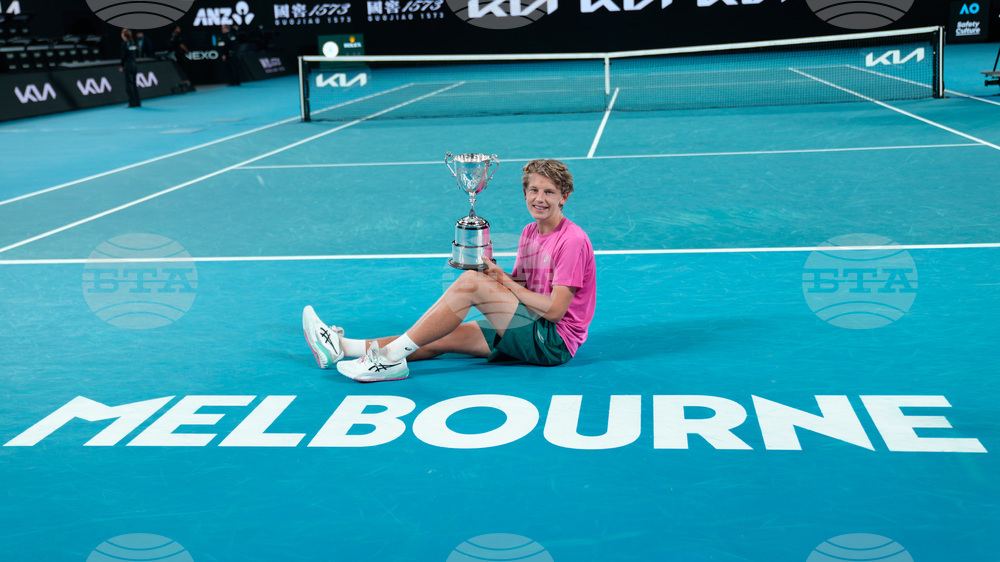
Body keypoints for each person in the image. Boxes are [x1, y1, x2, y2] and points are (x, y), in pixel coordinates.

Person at [303, 158, 597, 382]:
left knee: (470, 283)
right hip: (528, 321)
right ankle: (341, 348)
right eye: (533, 190)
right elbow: (521, 284)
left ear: (564, 197)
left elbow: (556, 311)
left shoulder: (571, 241)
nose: (540, 199)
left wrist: (491, 283)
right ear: (524, 193)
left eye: (549, 192)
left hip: (553, 341)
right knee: (436, 336)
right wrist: (492, 271)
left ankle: (389, 360)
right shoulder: (530, 231)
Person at [118, 28, 140, 108]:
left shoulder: (125, 44)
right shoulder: (133, 43)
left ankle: (132, 103)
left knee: (129, 86)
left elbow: (124, 56)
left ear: (123, 35)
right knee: (134, 84)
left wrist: (122, 66)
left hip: (128, 66)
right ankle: (137, 102)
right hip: (134, 65)